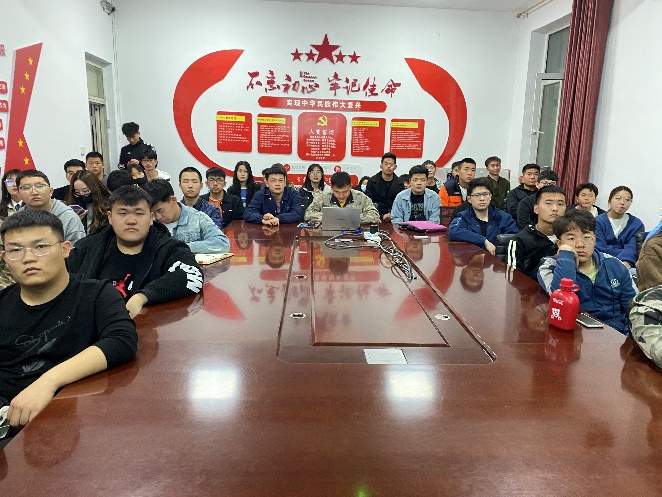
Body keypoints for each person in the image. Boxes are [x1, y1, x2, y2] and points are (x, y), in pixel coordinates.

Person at [0, 209, 137, 431]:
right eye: (15, 250)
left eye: (41, 246)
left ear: (65, 249)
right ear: (5, 258)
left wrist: (47, 382)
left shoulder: (96, 295)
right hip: (10, 423)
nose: (28, 258)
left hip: (79, 417)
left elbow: (121, 341)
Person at [66, 185, 204, 318]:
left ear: (150, 218)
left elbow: (193, 276)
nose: (131, 220)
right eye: (122, 213)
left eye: (139, 213)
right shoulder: (87, 248)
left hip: (146, 327)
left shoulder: (168, 247)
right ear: (110, 217)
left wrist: (142, 297)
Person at [537, 209, 636, 335]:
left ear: (594, 240)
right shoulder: (549, 267)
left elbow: (634, 307)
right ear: (559, 243)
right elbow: (561, 299)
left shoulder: (615, 265)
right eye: (571, 238)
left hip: (616, 333)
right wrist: (566, 255)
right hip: (574, 333)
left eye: (586, 237)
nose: (580, 244)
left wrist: (628, 338)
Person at [143, 179, 229, 254]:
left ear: (173, 200)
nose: (157, 217)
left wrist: (179, 248)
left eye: (160, 210)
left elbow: (222, 243)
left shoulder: (198, 219)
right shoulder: (149, 224)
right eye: (152, 212)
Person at [507, 185, 567, 279]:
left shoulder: (570, 239)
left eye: (560, 204)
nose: (555, 208)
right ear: (536, 209)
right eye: (548, 203)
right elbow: (513, 279)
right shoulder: (520, 241)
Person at [448, 177, 517, 255]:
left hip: (497, 260)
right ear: (469, 199)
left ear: (490, 196)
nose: (482, 199)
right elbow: (454, 231)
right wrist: (483, 241)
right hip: (471, 259)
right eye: (477, 195)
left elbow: (514, 240)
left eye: (485, 194)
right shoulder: (463, 217)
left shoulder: (504, 218)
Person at [15, 170, 85, 243]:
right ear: (18, 194)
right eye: (26, 188)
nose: (34, 192)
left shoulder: (69, 217)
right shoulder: (16, 220)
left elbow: (77, 248)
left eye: (40, 186)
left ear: (51, 191)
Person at [594, 186, 645, 269]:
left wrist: (625, 261)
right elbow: (600, 247)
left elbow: (632, 247)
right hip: (601, 262)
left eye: (627, 200)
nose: (622, 202)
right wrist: (620, 259)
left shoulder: (636, 224)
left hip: (626, 264)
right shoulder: (597, 222)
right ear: (610, 200)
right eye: (618, 198)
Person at [305, 171, 380, 224]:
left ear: (350, 186)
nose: (341, 196)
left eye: (345, 192)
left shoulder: (360, 197)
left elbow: (374, 215)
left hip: (355, 234)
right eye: (337, 192)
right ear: (331, 188)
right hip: (328, 234)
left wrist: (349, 218)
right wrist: (332, 218)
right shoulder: (323, 197)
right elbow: (308, 214)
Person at [365, 152, 404, 222]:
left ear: (395, 167)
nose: (388, 166)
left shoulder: (400, 183)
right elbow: (368, 201)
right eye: (386, 164)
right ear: (381, 166)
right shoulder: (372, 181)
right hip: (375, 216)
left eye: (391, 164)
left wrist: (391, 213)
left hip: (394, 216)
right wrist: (376, 216)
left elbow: (401, 203)